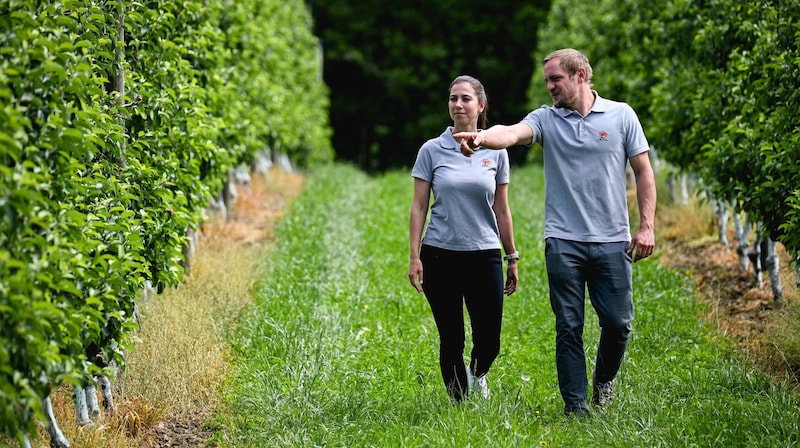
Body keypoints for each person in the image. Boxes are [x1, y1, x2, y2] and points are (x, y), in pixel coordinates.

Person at [454, 49, 656, 416]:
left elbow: (643, 171)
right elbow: (512, 133)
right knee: (569, 325)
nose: (549, 87)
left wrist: (646, 226)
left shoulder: (621, 115)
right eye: (547, 80)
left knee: (618, 323)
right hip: (563, 241)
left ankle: (604, 381)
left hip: (613, 239)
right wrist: (482, 137)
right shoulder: (547, 119)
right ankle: (576, 407)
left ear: (580, 75)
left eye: (555, 79)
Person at [408, 75, 519, 403]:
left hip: (484, 254)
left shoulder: (496, 151)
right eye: (453, 98)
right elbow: (418, 207)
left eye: (466, 99)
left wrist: (511, 256)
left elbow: (502, 208)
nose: (458, 104)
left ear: (480, 106)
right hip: (439, 255)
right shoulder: (431, 150)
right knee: (451, 338)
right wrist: (414, 256)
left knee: (490, 340)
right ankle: (459, 405)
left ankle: (478, 372)